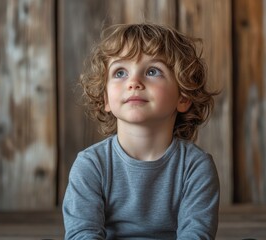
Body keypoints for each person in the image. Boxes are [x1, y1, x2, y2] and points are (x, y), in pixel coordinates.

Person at [62, 22, 220, 240]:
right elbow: (82, 234)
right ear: (106, 98)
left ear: (183, 96)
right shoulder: (90, 165)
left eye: (153, 71)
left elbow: (196, 234)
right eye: (120, 73)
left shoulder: (196, 167)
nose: (134, 82)